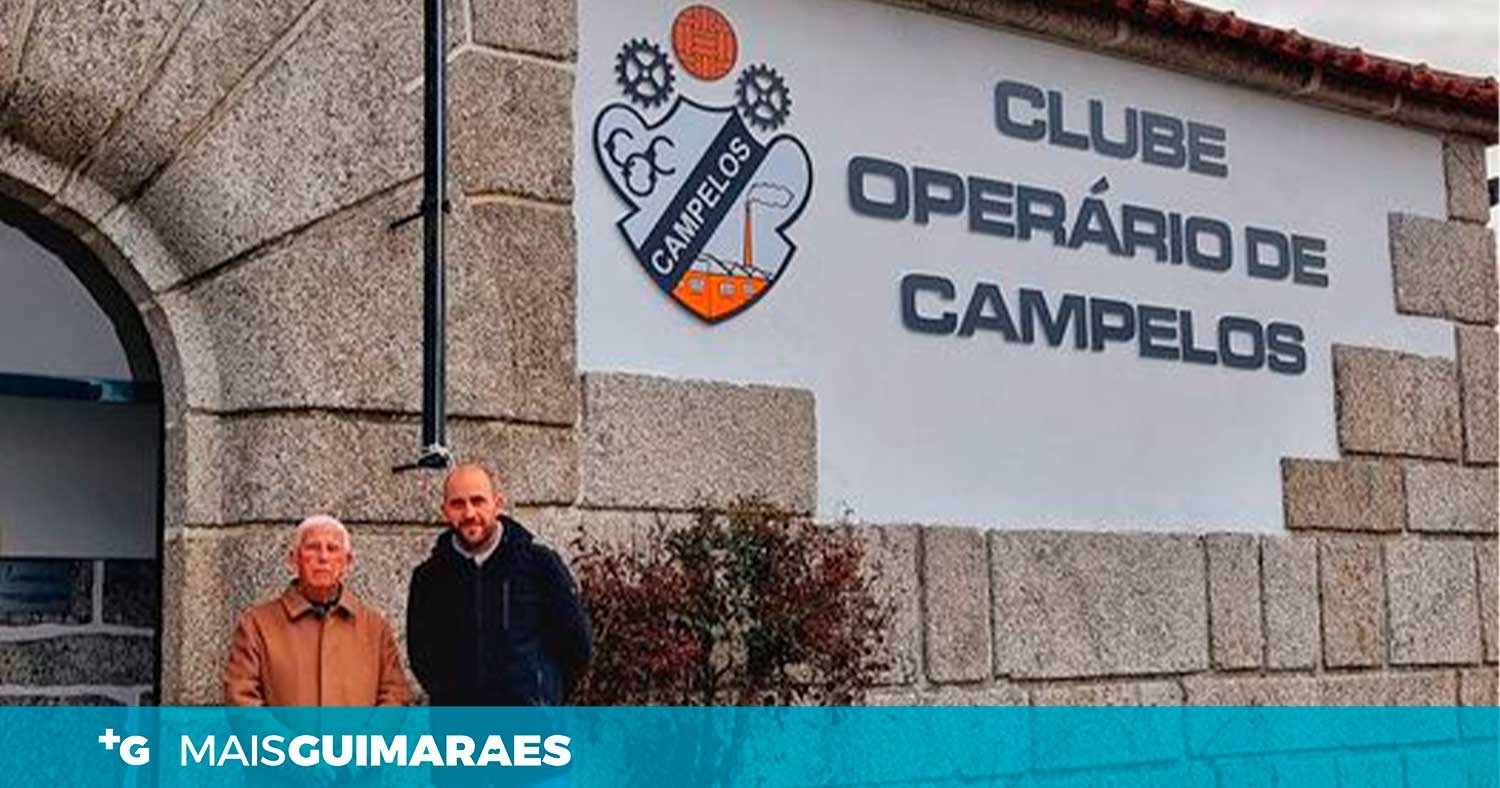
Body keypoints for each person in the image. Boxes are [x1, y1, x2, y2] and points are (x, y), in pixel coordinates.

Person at [406, 463, 591, 706]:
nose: (469, 513)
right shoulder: (429, 578)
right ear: (445, 511)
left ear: (497, 504)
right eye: (458, 504)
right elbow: (421, 657)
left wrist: (545, 699)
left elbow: (577, 646)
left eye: (478, 501)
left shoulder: (538, 565)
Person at [223, 515, 411, 706]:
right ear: (294, 559)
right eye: (312, 548)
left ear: (347, 562)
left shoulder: (375, 629)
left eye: (332, 548)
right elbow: (241, 697)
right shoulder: (257, 625)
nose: (323, 557)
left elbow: (395, 694)